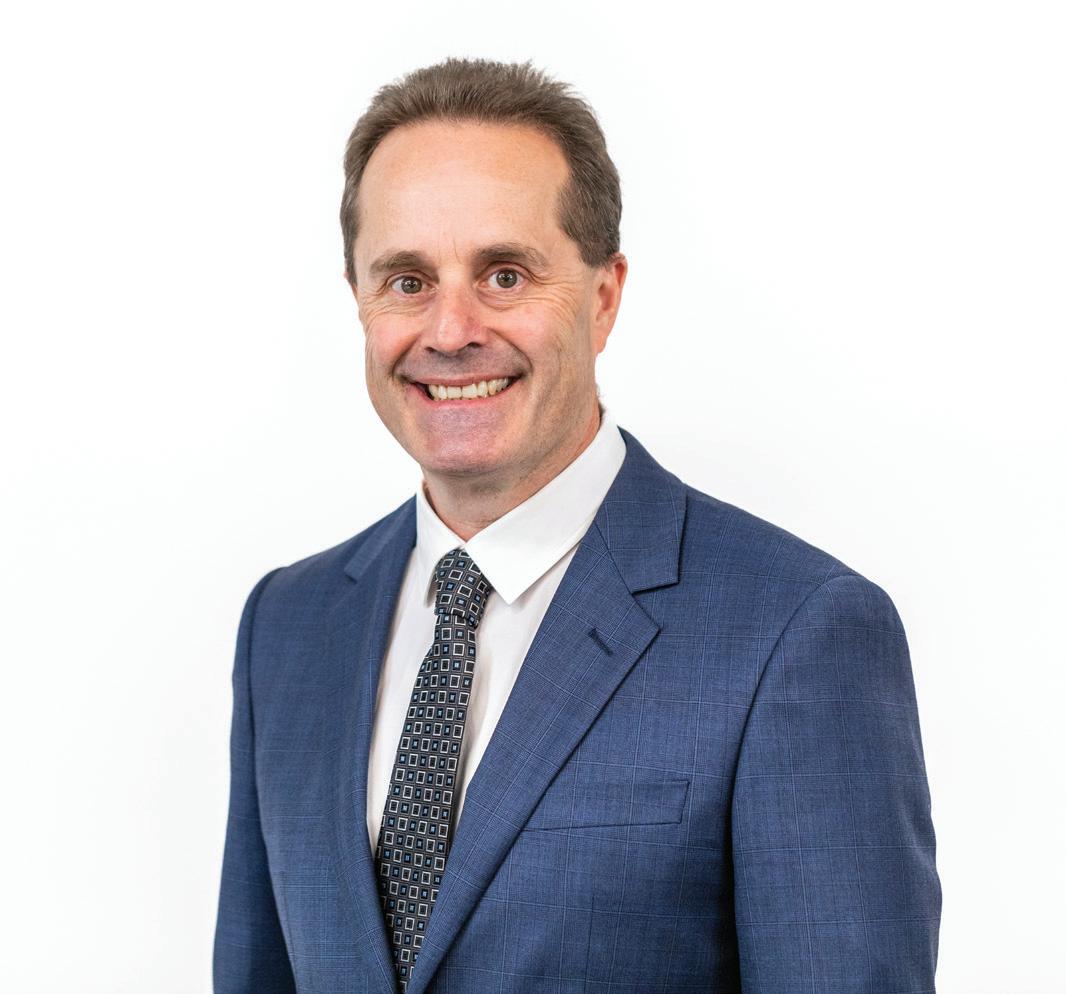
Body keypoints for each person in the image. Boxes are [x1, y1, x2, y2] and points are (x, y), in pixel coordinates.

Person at [213, 57, 942, 994]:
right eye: (406, 280)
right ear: (358, 296)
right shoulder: (288, 625)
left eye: (504, 274)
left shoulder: (798, 632)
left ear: (603, 298)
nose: (449, 330)